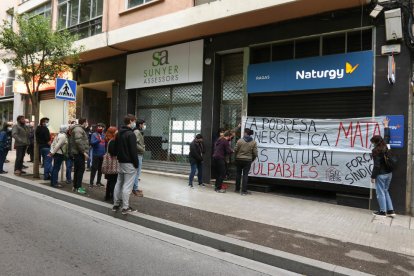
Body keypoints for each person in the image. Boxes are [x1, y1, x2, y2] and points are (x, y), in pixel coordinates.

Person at [112, 114, 139, 215]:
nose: (134, 123)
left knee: (119, 183)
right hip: (130, 163)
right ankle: (125, 207)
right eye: (134, 121)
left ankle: (116, 204)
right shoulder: (131, 134)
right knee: (127, 186)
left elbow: (114, 149)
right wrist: (136, 164)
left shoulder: (118, 133)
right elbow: (133, 151)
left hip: (121, 162)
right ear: (131, 121)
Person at [371, 118, 395, 217]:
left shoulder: (376, 151)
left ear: (375, 143)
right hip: (389, 173)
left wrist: (373, 176)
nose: (372, 144)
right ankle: (391, 211)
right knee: (385, 191)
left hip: (381, 174)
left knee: (380, 193)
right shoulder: (386, 145)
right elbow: (387, 136)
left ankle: (382, 212)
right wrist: (386, 125)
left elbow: (376, 165)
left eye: (372, 142)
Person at [234, 128, 258, 195]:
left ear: (245, 133)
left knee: (238, 174)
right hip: (247, 160)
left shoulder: (239, 141)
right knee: (245, 175)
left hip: (239, 159)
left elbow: (235, 150)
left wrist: (236, 157)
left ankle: (237, 189)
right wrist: (252, 159)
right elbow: (255, 153)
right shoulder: (253, 142)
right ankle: (244, 191)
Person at [69, 118, 89, 194]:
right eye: (86, 122)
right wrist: (84, 152)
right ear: (84, 122)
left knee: (77, 170)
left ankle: (75, 186)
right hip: (79, 153)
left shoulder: (78, 129)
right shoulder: (78, 129)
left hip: (78, 153)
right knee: (80, 170)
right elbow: (78, 141)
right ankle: (78, 187)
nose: (87, 124)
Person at [90, 123, 106, 188]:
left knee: (100, 169)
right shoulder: (94, 134)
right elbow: (92, 143)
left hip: (102, 155)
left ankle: (98, 182)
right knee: (94, 169)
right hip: (96, 154)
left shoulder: (104, 135)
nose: (99, 128)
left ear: (103, 128)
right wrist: (98, 140)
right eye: (98, 127)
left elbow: (105, 144)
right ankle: (91, 182)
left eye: (101, 127)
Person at [132, 119, 145, 197]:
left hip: (139, 154)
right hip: (138, 154)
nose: (144, 126)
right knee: (137, 172)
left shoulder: (137, 131)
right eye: (143, 124)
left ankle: (135, 187)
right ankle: (135, 189)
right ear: (140, 124)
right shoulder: (137, 132)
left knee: (137, 172)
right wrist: (142, 148)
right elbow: (134, 143)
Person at [104, 127, 118, 202]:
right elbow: (113, 153)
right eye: (116, 131)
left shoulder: (109, 140)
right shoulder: (112, 141)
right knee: (113, 181)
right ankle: (112, 196)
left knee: (110, 181)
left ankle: (107, 196)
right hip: (113, 164)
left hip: (109, 165)